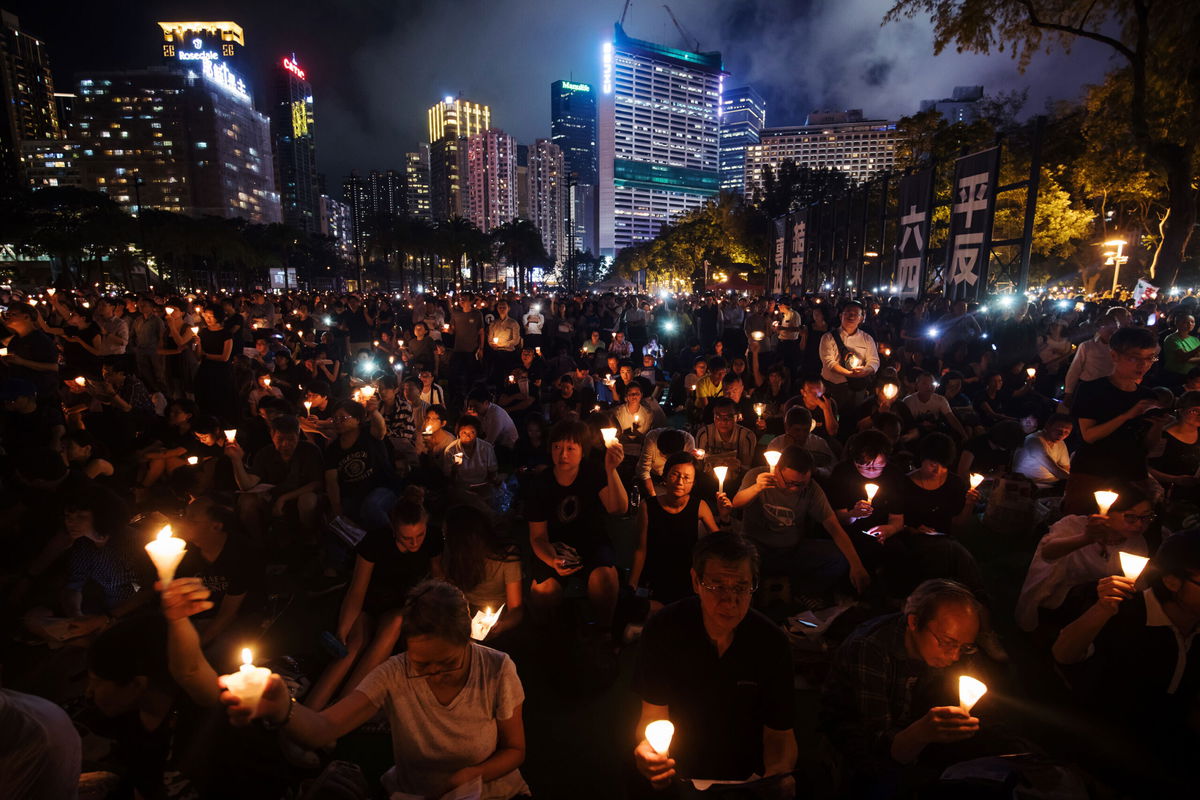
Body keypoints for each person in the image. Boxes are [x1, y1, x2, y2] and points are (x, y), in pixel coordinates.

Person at [222, 580, 530, 800]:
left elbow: (515, 750)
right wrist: (283, 708)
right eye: (422, 663)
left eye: (448, 662)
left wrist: (468, 776)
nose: (434, 672)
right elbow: (324, 728)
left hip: (494, 792)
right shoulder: (396, 673)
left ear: (469, 642)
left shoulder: (496, 669)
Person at [633, 532, 796, 792]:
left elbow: (779, 734)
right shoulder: (664, 629)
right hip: (679, 768)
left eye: (741, 587)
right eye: (717, 586)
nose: (730, 600)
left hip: (746, 775)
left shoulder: (771, 643)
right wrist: (647, 752)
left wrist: (777, 777)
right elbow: (652, 715)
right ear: (696, 582)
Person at [821, 579, 990, 796]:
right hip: (858, 730)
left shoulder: (950, 650)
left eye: (964, 646)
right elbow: (877, 740)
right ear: (914, 622)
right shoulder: (869, 649)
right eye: (947, 642)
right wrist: (920, 734)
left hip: (911, 722)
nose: (955, 655)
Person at [306, 486, 443, 711]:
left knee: (393, 625)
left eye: (420, 535)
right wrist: (342, 630)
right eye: (407, 538)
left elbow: (439, 576)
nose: (415, 543)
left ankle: (339, 712)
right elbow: (357, 589)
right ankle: (307, 714)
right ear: (393, 530)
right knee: (353, 645)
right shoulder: (375, 542)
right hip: (370, 601)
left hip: (402, 604)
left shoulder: (434, 538)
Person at [526, 420, 627, 632]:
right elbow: (537, 536)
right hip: (555, 546)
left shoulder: (593, 472)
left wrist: (611, 470)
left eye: (570, 448)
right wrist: (552, 560)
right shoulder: (540, 484)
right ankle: (552, 635)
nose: (562, 455)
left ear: (583, 451)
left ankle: (604, 632)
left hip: (592, 542)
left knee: (605, 579)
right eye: (557, 447)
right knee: (542, 591)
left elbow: (618, 508)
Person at [730, 445, 870, 596]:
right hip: (756, 548)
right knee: (735, 563)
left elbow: (834, 528)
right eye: (790, 483)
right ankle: (757, 593)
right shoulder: (757, 476)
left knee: (837, 557)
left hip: (791, 550)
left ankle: (798, 593)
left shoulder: (811, 489)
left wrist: (857, 565)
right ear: (777, 469)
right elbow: (736, 504)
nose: (795, 489)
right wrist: (756, 488)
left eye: (801, 484)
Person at [1015, 485, 1152, 632]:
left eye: (1146, 517)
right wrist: (1086, 538)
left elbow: (1139, 584)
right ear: (1107, 513)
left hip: (1100, 603)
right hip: (1059, 596)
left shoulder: (1137, 542)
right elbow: (1047, 553)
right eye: (1130, 517)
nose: (1140, 524)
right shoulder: (1074, 525)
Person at [1063, 326, 1168, 514]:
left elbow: (1147, 447)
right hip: (1094, 472)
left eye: (1149, 358)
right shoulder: (1092, 389)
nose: (1143, 365)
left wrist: (1157, 427)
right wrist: (1127, 415)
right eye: (1134, 358)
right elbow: (1089, 436)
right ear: (1114, 356)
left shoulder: (1147, 396)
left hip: (1132, 473)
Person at [630, 453, 724, 609]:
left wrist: (724, 517)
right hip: (655, 575)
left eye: (687, 477)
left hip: (687, 577)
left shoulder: (699, 506)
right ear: (665, 476)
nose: (680, 482)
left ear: (694, 482)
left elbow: (720, 543)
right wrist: (632, 585)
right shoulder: (648, 506)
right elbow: (641, 550)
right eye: (675, 475)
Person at [227, 414, 324, 543]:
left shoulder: (309, 450)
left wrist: (283, 499)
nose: (285, 444)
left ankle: (310, 539)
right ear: (272, 435)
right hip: (274, 495)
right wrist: (236, 460)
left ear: (298, 434)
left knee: (307, 501)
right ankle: (259, 543)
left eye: (291, 439)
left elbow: (316, 483)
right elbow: (247, 485)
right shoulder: (265, 454)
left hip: (301, 494)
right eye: (280, 439)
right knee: (246, 501)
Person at [441, 503, 524, 640]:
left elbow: (516, 609)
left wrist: (502, 625)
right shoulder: (454, 555)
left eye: (446, 536)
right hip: (465, 611)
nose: (445, 539)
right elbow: (451, 593)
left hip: (498, 613)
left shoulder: (506, 556)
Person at [819, 300, 880, 408]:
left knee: (854, 415)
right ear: (841, 315)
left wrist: (866, 371)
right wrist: (850, 374)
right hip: (833, 386)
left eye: (856, 314)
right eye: (847, 313)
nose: (851, 316)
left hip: (857, 387)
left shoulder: (867, 339)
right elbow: (829, 363)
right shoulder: (828, 337)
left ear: (861, 318)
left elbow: (874, 361)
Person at [1012, 413, 1074, 491]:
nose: (1062, 434)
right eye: (1058, 430)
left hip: (1051, 483)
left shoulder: (1060, 443)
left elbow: (1066, 467)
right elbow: (1055, 470)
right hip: (1030, 483)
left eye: (1066, 432)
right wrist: (1077, 481)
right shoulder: (1034, 440)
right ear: (1048, 426)